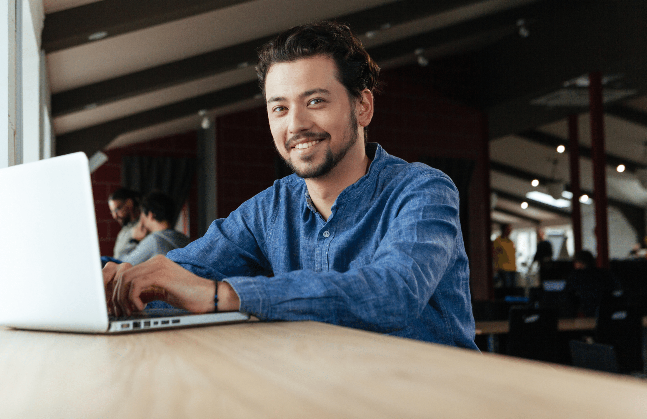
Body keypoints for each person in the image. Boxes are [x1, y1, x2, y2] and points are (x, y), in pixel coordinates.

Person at [103, 21, 477, 349]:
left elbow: (394, 291)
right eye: (279, 108)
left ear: (362, 107)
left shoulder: (424, 190)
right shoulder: (269, 209)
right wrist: (109, 280)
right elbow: (180, 275)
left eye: (315, 101)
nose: (295, 124)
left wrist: (221, 296)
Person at [115, 191, 191, 266]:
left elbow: (121, 263)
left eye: (142, 214)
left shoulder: (154, 241)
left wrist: (133, 240)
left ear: (150, 215)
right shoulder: (185, 239)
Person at [564, 250, 619, 317]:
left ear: (579, 263)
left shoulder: (576, 276)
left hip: (585, 312)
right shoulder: (604, 273)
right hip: (607, 309)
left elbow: (568, 295)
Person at [108, 188, 142, 258]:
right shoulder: (123, 232)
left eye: (117, 209)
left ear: (129, 203)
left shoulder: (143, 228)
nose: (115, 216)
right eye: (112, 211)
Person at [492, 224, 517, 289]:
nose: (510, 231)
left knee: (513, 288)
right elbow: (494, 254)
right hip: (503, 268)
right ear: (504, 230)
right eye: (508, 229)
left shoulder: (511, 242)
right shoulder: (498, 241)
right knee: (507, 287)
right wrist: (495, 267)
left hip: (512, 268)